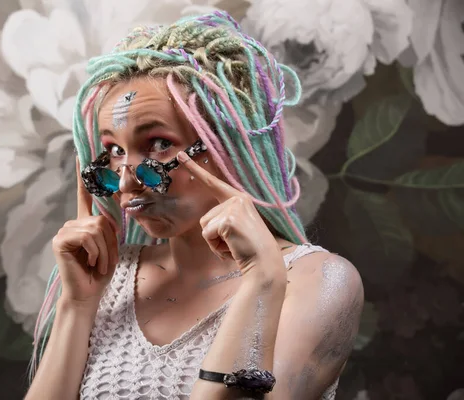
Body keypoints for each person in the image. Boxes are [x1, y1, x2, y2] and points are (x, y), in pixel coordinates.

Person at [24, 11, 364, 400]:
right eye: (114, 151)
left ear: (228, 145)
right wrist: (78, 304)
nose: (124, 181)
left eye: (158, 144)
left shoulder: (318, 281)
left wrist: (262, 281)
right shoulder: (108, 277)